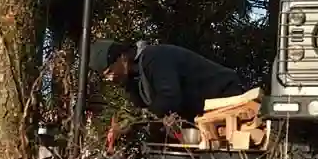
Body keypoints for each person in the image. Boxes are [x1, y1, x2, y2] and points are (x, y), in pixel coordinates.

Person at [88, 39, 248, 125]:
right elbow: (144, 113)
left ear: (122, 58)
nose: (109, 79)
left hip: (225, 95)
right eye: (105, 76)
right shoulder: (133, 81)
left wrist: (136, 120)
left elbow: (169, 98)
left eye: (110, 72)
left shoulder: (155, 58)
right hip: (201, 112)